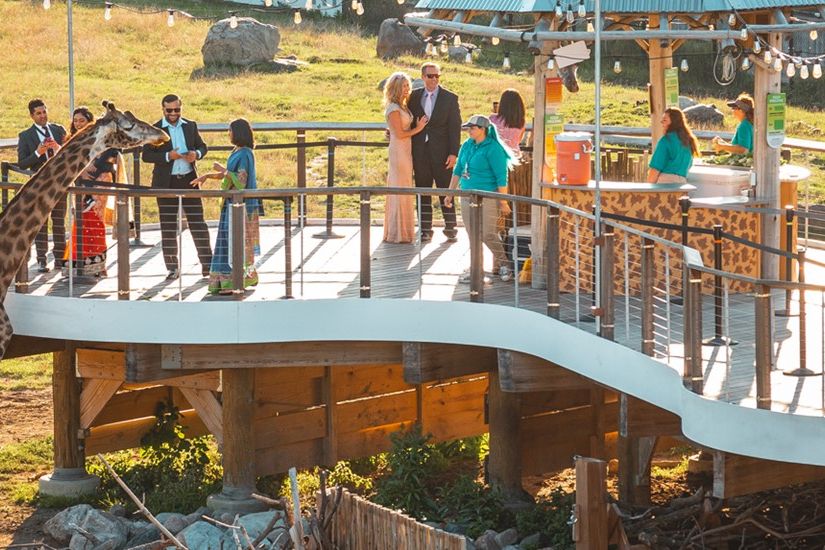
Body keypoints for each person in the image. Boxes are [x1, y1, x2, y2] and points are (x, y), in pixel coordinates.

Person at [142, 94, 212, 280]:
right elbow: (146, 155)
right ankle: (172, 267)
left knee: (198, 223)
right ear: (163, 109)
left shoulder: (190, 126)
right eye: (169, 110)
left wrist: (195, 154)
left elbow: (203, 147)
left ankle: (208, 265)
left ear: (181, 108)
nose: (173, 113)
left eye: (177, 110)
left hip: (188, 179)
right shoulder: (155, 129)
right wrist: (167, 156)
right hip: (166, 182)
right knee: (168, 226)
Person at [444, 115, 518, 282]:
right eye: (468, 128)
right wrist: (450, 193)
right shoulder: (466, 145)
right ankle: (476, 269)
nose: (469, 130)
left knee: (487, 233)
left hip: (487, 197)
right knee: (472, 235)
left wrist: (503, 201)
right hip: (466, 195)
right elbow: (458, 170)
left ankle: (504, 263)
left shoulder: (493, 148)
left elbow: (501, 176)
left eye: (472, 128)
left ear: (483, 129)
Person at [191, 119, 262, 295]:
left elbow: (241, 181)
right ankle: (226, 281)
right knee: (226, 240)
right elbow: (231, 176)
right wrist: (207, 175)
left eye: (230, 130)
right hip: (230, 203)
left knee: (233, 242)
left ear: (238, 132)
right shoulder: (237, 151)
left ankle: (234, 281)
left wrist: (223, 170)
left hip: (239, 206)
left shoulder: (246, 153)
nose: (228, 133)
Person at [408, 62, 462, 243]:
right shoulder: (413, 97)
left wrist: (454, 153)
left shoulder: (450, 98)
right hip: (420, 151)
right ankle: (425, 229)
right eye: (430, 76)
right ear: (423, 77)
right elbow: (406, 120)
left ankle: (450, 226)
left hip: (443, 152)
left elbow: (455, 128)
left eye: (437, 76)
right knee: (422, 190)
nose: (434, 79)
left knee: (445, 189)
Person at [62, 107, 117, 277]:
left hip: (100, 182)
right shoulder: (71, 140)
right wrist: (80, 171)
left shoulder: (101, 138)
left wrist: (89, 170)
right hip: (79, 184)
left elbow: (112, 153)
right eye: (75, 121)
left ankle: (98, 265)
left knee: (95, 219)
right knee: (80, 219)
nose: (78, 124)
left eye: (82, 121)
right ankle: (78, 262)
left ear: (90, 122)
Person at [17, 98, 68, 272]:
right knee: (41, 223)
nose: (42, 116)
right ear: (32, 116)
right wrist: (39, 152)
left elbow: (71, 154)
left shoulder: (58, 129)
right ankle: (41, 259)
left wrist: (58, 148)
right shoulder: (25, 136)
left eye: (44, 111)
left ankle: (60, 258)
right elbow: (22, 163)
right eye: (38, 113)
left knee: (59, 221)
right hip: (40, 186)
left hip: (59, 183)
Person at [383, 72, 429, 243]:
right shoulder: (394, 108)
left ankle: (404, 230)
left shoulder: (402, 106)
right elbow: (401, 134)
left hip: (405, 150)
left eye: (408, 85)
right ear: (395, 88)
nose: (407, 89)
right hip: (399, 151)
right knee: (399, 186)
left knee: (404, 186)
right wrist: (419, 127)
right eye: (403, 86)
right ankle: (397, 232)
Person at [647, 108, 700, 184]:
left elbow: (655, 168)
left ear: (674, 122)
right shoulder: (689, 141)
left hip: (665, 183)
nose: (661, 122)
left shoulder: (666, 140)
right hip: (682, 184)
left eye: (664, 120)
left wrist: (649, 189)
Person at [489, 89, 526, 157]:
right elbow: (518, 140)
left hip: (495, 156)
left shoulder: (492, 119)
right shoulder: (521, 122)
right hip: (514, 157)